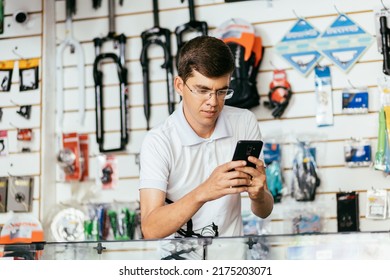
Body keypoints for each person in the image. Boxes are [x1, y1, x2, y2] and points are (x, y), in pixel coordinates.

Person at [139, 35, 273, 241]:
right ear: (179, 85)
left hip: (230, 265)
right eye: (202, 90)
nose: (213, 102)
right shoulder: (158, 141)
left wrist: (259, 196)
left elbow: (263, 210)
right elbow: (150, 229)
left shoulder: (244, 122)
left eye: (222, 91)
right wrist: (204, 192)